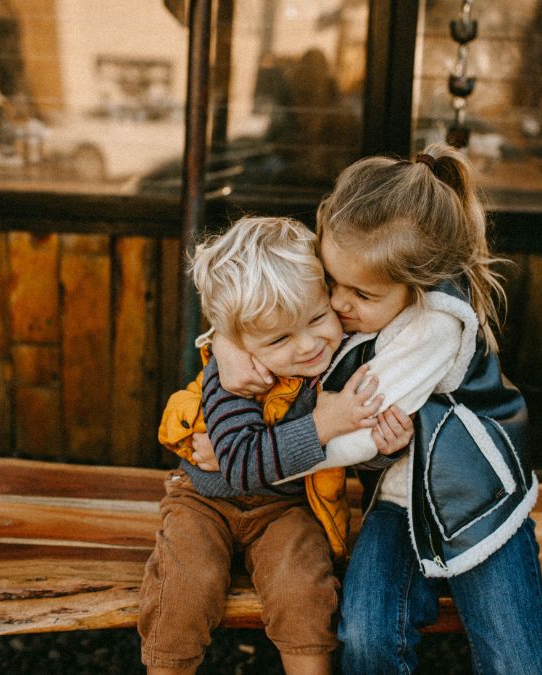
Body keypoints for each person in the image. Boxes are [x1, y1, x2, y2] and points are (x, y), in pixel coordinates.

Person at [207, 144, 542, 674]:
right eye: (331, 283)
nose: (337, 305)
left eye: (362, 295)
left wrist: (248, 459)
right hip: (395, 503)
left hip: (474, 502)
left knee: (516, 660)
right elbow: (261, 303)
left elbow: (355, 437)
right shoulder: (355, 278)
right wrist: (226, 343)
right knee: (368, 636)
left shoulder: (436, 326)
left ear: (418, 284)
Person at [137, 216, 413, 675]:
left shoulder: (343, 363)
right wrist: (324, 423)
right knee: (186, 584)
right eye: (280, 338)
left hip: (290, 507)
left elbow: (356, 448)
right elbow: (241, 464)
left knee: (302, 589)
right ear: (239, 342)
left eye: (318, 318)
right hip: (206, 501)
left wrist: (387, 447)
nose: (308, 345)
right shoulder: (235, 380)